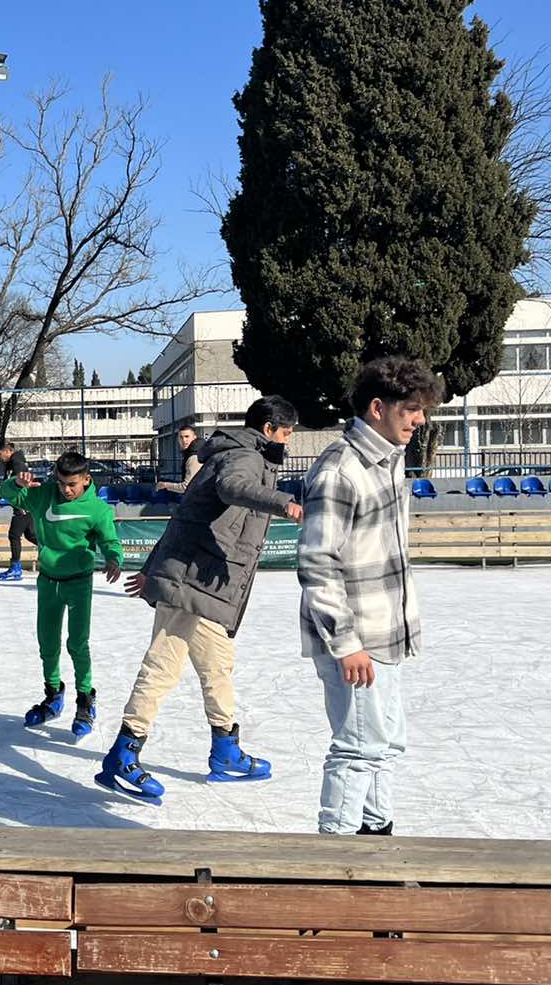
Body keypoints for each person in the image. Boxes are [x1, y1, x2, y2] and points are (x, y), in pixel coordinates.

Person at [98, 397, 304, 803]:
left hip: (200, 581)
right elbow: (233, 489)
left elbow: (188, 514)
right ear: (268, 429)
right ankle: (123, 754)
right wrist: (286, 504)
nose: (289, 442)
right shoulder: (244, 457)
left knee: (217, 664)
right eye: (287, 433)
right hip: (191, 581)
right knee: (163, 665)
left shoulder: (236, 454)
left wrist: (154, 565)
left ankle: (226, 749)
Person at [299, 357, 443, 837]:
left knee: (385, 744)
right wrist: (346, 643)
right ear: (378, 408)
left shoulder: (390, 464)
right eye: (412, 410)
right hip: (355, 639)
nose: (419, 420)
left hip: (387, 632)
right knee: (358, 747)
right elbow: (317, 563)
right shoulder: (340, 470)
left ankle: (375, 841)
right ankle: (333, 865)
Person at [0, 451, 124, 739]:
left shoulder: (98, 510)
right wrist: (16, 483)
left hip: (79, 583)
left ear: (86, 480)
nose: (66, 490)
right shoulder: (43, 495)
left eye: (73, 485)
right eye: (62, 483)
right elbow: (8, 495)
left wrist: (114, 558)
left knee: (78, 643)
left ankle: (85, 699)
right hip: (48, 581)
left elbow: (109, 539)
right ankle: (53, 693)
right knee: (48, 642)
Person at [0, 439, 38, 582]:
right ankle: (55, 549)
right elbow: (6, 486)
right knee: (31, 536)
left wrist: (21, 505)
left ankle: (15, 568)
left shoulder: (17, 464)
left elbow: (19, 484)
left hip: (23, 507)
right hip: (25, 507)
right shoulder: (10, 465)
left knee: (14, 535)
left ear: (7, 451)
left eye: (0, 453)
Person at [160, 424, 203, 494]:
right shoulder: (195, 452)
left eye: (187, 437)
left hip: (200, 500)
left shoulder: (194, 457)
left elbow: (186, 487)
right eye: (181, 437)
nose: (184, 440)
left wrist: (165, 485)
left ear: (194, 437)